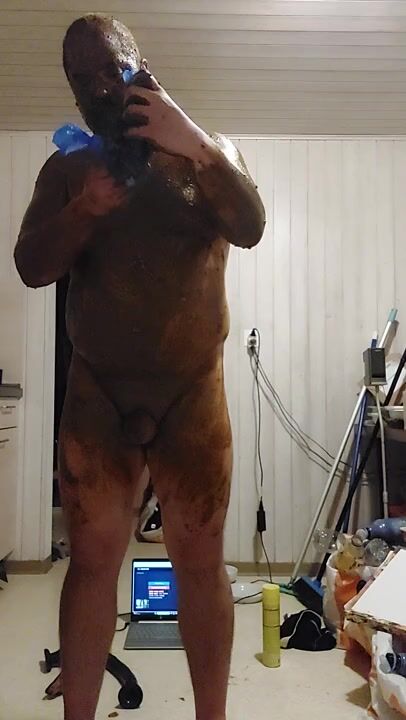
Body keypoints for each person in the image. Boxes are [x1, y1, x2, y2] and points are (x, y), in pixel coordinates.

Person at [15, 14, 265, 720]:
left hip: (192, 394)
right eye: (81, 78)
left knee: (199, 562)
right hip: (99, 394)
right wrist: (84, 211)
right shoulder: (69, 169)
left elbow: (250, 226)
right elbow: (31, 265)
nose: (98, 87)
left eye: (109, 68)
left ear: (138, 64)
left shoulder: (209, 151)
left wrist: (195, 144)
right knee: (93, 562)